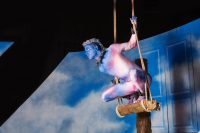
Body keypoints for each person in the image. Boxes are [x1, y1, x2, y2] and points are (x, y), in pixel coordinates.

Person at [82, 18, 152, 103]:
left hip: (143, 79)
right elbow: (121, 75)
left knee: (133, 73)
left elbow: (131, 44)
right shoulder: (101, 67)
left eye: (88, 50)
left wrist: (134, 29)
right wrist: (118, 83)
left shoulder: (112, 49)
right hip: (131, 84)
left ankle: (143, 96)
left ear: (96, 47)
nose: (86, 53)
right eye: (86, 51)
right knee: (105, 97)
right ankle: (131, 97)